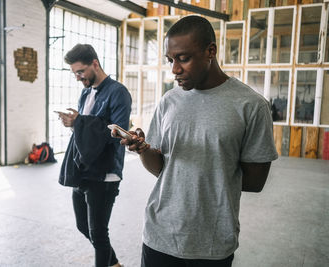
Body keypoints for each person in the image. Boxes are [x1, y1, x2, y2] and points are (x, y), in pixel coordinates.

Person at [115, 16, 278, 267]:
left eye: (184, 58)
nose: (175, 69)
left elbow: (255, 182)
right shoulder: (169, 101)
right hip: (159, 235)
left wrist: (210, 165)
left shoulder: (251, 106)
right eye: (171, 60)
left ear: (210, 51)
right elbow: (160, 168)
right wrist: (143, 149)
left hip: (212, 243)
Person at [58, 44, 131, 267]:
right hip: (83, 168)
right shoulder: (85, 92)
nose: (78, 78)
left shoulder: (118, 92)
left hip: (105, 172)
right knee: (83, 225)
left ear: (95, 64)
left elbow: (117, 132)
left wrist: (80, 122)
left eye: (80, 72)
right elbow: (86, 133)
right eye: (75, 74)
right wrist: (73, 125)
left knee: (98, 233)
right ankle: (115, 263)